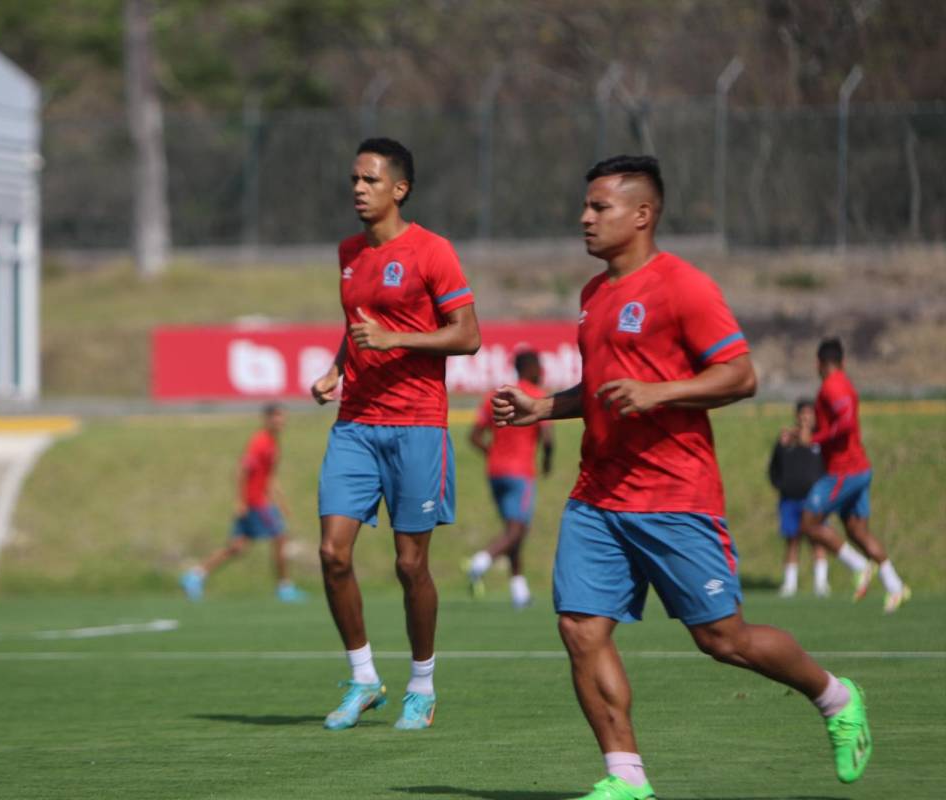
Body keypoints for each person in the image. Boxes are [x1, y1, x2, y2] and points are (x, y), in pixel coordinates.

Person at [492, 155, 871, 799]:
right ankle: (627, 780)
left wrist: (661, 393)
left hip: (674, 495)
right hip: (597, 494)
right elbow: (603, 390)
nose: (584, 218)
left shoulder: (684, 287)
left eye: (599, 207)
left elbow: (740, 375)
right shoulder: (592, 295)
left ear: (642, 215)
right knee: (581, 628)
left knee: (723, 639)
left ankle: (836, 698)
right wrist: (543, 407)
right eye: (584, 206)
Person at [309, 137, 480, 731]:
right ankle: (362, 680)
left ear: (399, 189)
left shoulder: (433, 251)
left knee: (411, 566)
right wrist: (337, 368)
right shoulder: (348, 253)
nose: (358, 188)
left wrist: (397, 340)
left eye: (370, 180)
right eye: (354, 178)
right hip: (355, 424)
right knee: (332, 553)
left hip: (417, 427)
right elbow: (356, 328)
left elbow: (468, 336)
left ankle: (423, 686)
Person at [797, 338, 911, 613]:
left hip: (843, 471)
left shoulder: (831, 386)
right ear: (844, 362)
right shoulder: (844, 383)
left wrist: (816, 438)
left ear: (818, 364)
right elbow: (843, 419)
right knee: (857, 531)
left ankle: (860, 567)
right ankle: (895, 586)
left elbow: (845, 420)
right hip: (860, 468)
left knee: (808, 523)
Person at [180, 404, 306, 603]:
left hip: (260, 501)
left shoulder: (273, 443)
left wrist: (281, 502)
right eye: (276, 417)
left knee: (238, 546)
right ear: (266, 419)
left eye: (282, 417)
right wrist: (240, 500)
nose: (280, 421)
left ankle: (195, 576)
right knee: (280, 537)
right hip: (256, 502)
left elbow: (269, 477)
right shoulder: (260, 442)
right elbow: (242, 470)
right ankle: (284, 588)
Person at [465, 349, 553, 608]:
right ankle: (480, 561)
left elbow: (474, 435)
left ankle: (519, 592)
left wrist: (492, 453)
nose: (542, 371)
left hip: (495, 472)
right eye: (539, 366)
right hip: (521, 472)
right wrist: (547, 462)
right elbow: (547, 439)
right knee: (518, 530)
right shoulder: (535, 397)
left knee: (512, 533)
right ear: (530, 368)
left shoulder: (496, 396)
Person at [768, 400, 831, 597]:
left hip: (814, 501)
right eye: (802, 414)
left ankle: (821, 584)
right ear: (796, 416)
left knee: (817, 540)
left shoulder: (819, 441)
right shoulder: (786, 441)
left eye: (809, 414)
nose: (805, 418)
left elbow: (828, 467)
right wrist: (782, 485)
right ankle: (790, 584)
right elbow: (773, 468)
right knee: (792, 541)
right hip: (789, 499)